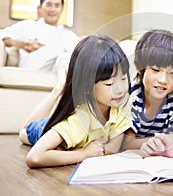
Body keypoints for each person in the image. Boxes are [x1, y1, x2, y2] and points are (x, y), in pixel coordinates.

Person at [18, 34, 133, 168]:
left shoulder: (121, 104)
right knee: (25, 131)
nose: (120, 89)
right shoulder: (77, 121)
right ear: (86, 87)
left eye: (124, 79)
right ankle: (58, 89)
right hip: (43, 129)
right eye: (110, 84)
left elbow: (112, 148)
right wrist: (82, 154)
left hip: (68, 134)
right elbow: (34, 157)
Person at [122, 29, 173, 158]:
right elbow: (126, 143)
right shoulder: (131, 96)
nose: (163, 80)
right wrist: (169, 140)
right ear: (139, 68)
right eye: (155, 70)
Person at [0, 0, 80, 74]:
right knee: (62, 51)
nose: (52, 9)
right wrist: (19, 43)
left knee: (65, 57)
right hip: (31, 69)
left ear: (61, 9)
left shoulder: (67, 34)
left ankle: (61, 86)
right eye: (48, 5)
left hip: (55, 72)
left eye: (57, 6)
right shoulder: (29, 25)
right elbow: (1, 35)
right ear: (41, 7)